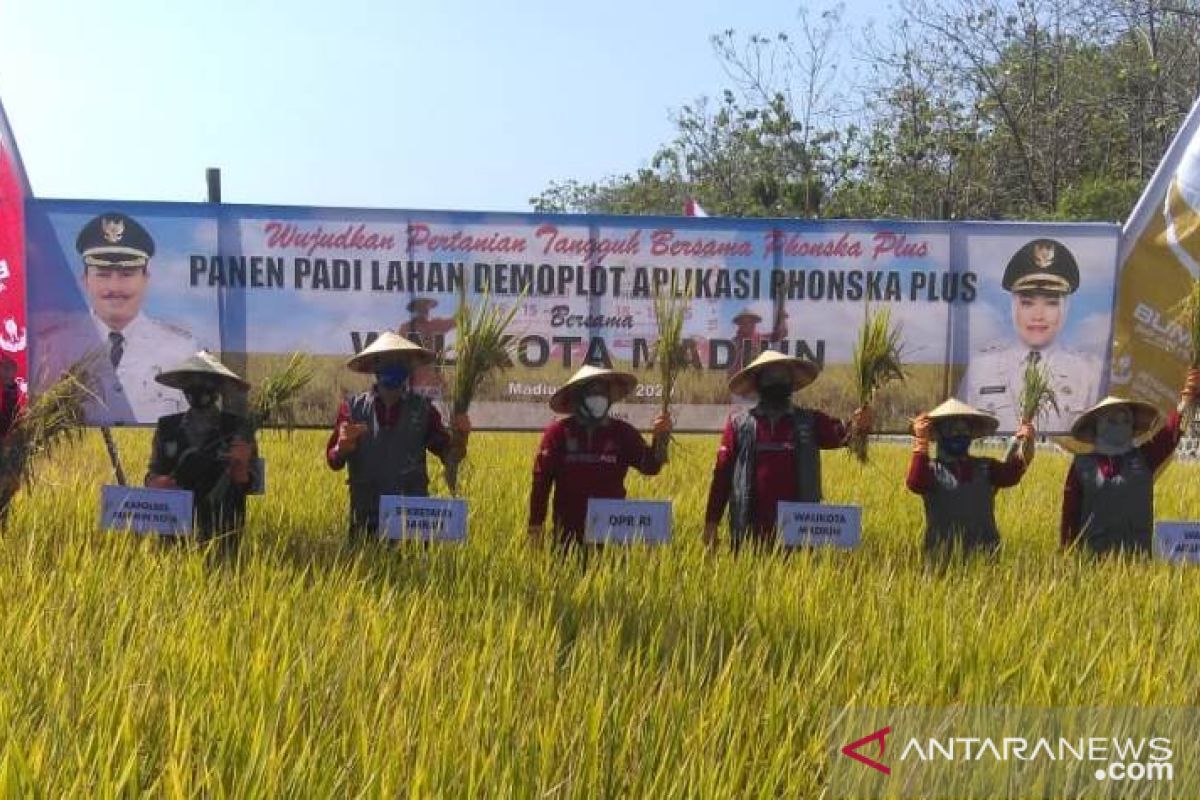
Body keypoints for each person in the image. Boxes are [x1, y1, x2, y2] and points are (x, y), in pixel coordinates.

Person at [34, 212, 201, 424]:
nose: (114, 287)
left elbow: (193, 430)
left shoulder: (181, 349)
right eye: (103, 274)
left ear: (145, 279)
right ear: (85, 280)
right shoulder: (55, 347)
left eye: (127, 274)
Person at [704, 350, 872, 550]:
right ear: (758, 383)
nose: (777, 381)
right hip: (749, 533)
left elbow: (845, 436)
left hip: (799, 534)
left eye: (782, 375)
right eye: (770, 375)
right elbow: (722, 475)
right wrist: (712, 522)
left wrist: (860, 425)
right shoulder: (739, 424)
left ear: (791, 383)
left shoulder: (811, 422)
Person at [326, 332, 470, 541]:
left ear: (409, 366)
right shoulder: (352, 409)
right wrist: (342, 448)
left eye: (400, 360)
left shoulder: (424, 410)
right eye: (385, 360)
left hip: (410, 519)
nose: (393, 365)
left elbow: (451, 457)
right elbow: (333, 460)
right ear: (374, 365)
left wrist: (462, 436)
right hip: (366, 516)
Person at [958, 238, 1100, 432]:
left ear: (1066, 307)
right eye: (1027, 303)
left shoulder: (1087, 372)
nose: (1038, 315)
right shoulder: (981, 368)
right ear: (1013, 305)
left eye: (1051, 303)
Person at [528, 364, 672, 549]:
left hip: (611, 534)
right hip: (567, 536)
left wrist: (661, 438)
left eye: (603, 392)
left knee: (608, 576)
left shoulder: (622, 433)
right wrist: (535, 525)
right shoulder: (558, 433)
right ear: (578, 397)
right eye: (592, 392)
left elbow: (650, 467)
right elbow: (541, 481)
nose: (599, 398)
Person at [1061, 368, 1200, 555]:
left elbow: (1170, 434)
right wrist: (1066, 552)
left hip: (1136, 560)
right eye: (1112, 419)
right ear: (1096, 426)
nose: (1119, 423)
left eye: (1125, 419)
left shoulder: (1145, 458)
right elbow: (1070, 514)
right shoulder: (1081, 466)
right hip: (1091, 561)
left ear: (1133, 426)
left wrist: (1187, 400)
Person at [145, 351, 257, 554]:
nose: (197, 387)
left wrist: (240, 467)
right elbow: (152, 474)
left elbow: (254, 484)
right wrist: (156, 482)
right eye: (191, 381)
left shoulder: (238, 428)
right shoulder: (167, 427)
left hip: (223, 529)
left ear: (218, 388)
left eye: (205, 381)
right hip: (174, 530)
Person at [906, 399, 1035, 559]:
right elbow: (915, 483)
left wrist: (1027, 442)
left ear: (971, 433)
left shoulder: (985, 467)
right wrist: (921, 443)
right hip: (940, 558)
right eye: (951, 429)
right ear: (938, 434)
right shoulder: (931, 469)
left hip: (984, 556)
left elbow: (1013, 472)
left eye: (963, 430)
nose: (958, 434)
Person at [401, 297, 456, 398]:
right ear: (414, 310)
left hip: (434, 384)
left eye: (425, 308)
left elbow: (455, 321)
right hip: (413, 384)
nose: (423, 311)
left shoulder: (436, 324)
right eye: (420, 308)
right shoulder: (405, 328)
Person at [0, 356, 22, 525]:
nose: (5, 373)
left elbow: (12, 423)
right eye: (3, 368)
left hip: (8, 456)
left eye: (9, 369)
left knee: (5, 498)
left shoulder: (14, 394)